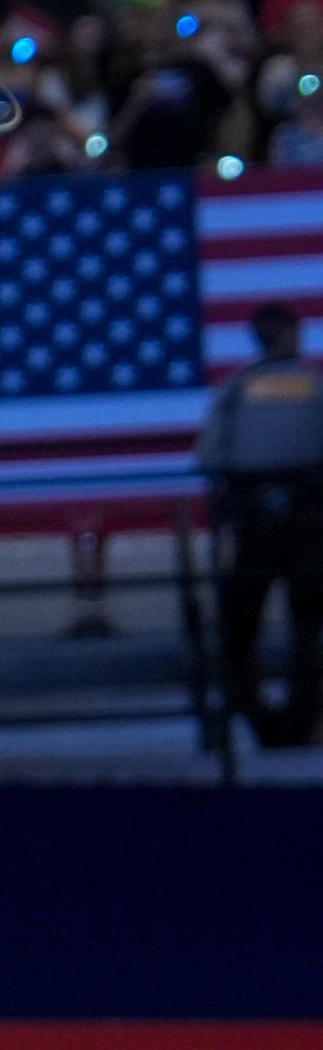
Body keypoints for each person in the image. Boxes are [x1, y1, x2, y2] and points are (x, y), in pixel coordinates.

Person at [203, 300, 323, 747]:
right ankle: (301, 720)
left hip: (254, 519)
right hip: (307, 517)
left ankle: (257, 718)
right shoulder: (314, 385)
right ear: (293, 333)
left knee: (242, 625)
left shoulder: (237, 388)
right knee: (307, 625)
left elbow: (209, 454)